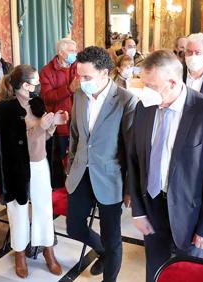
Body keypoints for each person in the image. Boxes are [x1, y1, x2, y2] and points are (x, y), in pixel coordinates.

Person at [128, 49, 203, 282]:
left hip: (189, 212)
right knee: (155, 273)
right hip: (152, 205)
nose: (146, 91)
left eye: (151, 85)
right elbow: (134, 160)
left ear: (173, 82)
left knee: (188, 275)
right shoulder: (145, 107)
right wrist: (138, 210)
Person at [65, 46, 137, 282]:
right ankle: (103, 251)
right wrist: (70, 168)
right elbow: (75, 135)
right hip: (80, 172)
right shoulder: (79, 94)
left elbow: (131, 150)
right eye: (79, 76)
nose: (81, 81)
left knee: (112, 237)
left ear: (105, 73)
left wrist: (129, 189)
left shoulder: (126, 101)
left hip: (110, 177)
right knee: (74, 226)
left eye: (87, 77)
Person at [0, 64, 68, 278]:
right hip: (16, 169)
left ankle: (48, 251)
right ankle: (19, 254)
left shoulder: (37, 103)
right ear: (25, 84)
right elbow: (12, 145)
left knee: (44, 210)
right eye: (35, 81)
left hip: (40, 165)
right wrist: (41, 127)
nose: (38, 84)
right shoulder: (4, 109)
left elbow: (42, 138)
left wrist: (54, 124)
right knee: (18, 211)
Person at [40, 38, 79, 187]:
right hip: (59, 125)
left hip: (78, 121)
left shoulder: (78, 66)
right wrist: (69, 89)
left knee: (77, 159)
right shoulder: (47, 71)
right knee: (61, 161)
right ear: (61, 52)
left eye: (75, 51)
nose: (74, 54)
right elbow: (47, 98)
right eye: (71, 51)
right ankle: (60, 191)